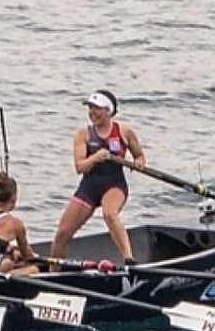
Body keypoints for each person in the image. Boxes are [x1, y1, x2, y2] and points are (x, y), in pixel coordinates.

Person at [50, 90, 146, 262]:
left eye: (96, 109)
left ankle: (129, 259)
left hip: (114, 185)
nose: (92, 113)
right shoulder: (83, 135)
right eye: (90, 108)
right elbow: (80, 167)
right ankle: (54, 269)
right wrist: (95, 157)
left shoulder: (124, 132)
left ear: (108, 111)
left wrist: (139, 162)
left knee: (110, 214)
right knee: (62, 232)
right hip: (89, 187)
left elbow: (139, 155)